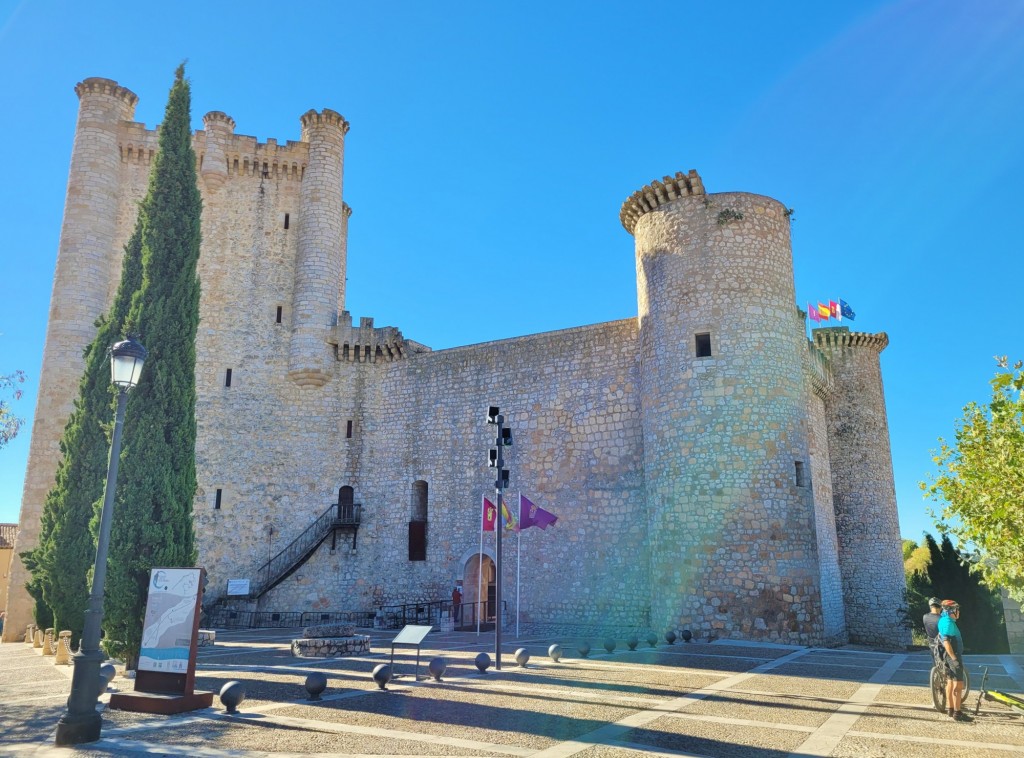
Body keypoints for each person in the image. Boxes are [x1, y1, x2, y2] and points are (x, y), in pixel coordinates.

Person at [937, 599, 971, 721]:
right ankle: (958, 713)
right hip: (953, 656)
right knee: (959, 684)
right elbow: (946, 641)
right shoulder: (948, 623)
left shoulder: (944, 620)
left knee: (950, 682)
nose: (959, 612)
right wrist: (955, 659)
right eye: (957, 610)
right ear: (951, 611)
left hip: (947, 656)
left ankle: (951, 709)